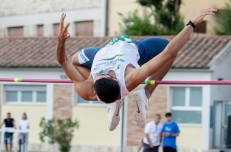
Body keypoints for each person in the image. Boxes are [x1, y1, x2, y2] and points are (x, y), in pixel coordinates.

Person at [56, 8, 218, 131]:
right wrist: (192, 23)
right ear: (115, 80)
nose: (97, 74)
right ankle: (145, 94)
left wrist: (61, 41)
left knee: (74, 60)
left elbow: (63, 60)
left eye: (97, 75)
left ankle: (115, 102)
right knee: (168, 51)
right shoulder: (130, 77)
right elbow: (169, 52)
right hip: (136, 50)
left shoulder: (88, 90)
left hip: (101, 52)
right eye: (101, 75)